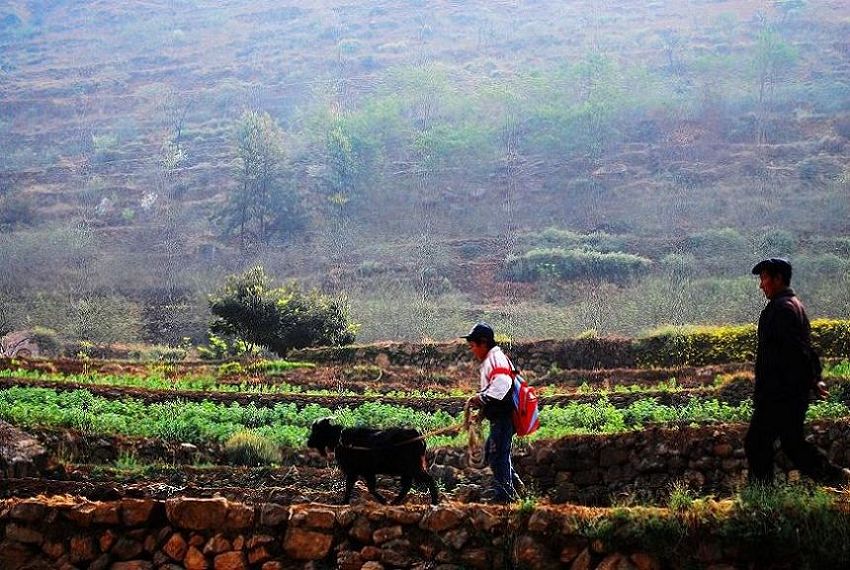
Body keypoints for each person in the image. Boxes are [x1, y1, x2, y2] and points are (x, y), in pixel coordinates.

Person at [744, 258, 850, 486]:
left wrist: (812, 378)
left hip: (778, 393)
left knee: (757, 443)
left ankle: (762, 500)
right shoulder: (795, 306)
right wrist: (815, 379)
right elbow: (805, 349)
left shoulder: (780, 309)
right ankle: (838, 479)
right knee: (792, 444)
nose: (761, 285)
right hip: (790, 393)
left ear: (778, 279)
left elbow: (796, 350)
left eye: (764, 278)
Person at [463, 322, 521, 503]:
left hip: (503, 418)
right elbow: (495, 388)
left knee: (497, 455)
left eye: (473, 346)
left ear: (483, 342)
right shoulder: (493, 359)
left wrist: (481, 399)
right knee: (494, 452)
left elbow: (502, 385)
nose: (472, 351)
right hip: (500, 417)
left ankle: (504, 497)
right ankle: (515, 486)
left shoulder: (495, 359)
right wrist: (481, 410)